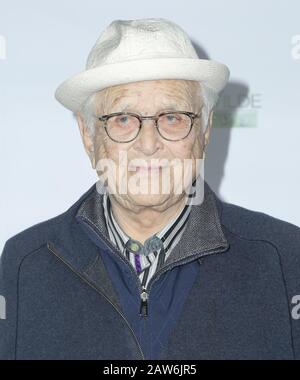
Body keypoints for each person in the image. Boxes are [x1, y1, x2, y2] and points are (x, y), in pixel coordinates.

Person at [1, 18, 300, 360]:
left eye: (172, 117)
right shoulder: (26, 264)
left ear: (204, 130)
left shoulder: (284, 259)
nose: (148, 143)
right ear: (88, 135)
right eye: (123, 119)